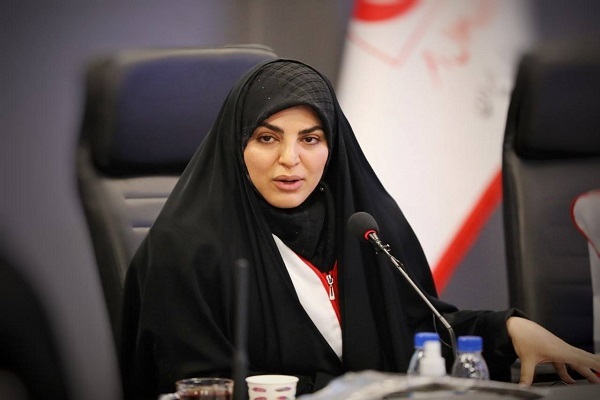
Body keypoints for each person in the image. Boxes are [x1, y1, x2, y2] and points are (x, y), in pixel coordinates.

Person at [120, 59, 600, 399]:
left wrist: (510, 329)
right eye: (267, 138)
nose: (290, 159)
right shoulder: (183, 250)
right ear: (237, 144)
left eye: (311, 139)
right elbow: (199, 386)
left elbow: (419, 333)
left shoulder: (364, 227)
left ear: (333, 147)